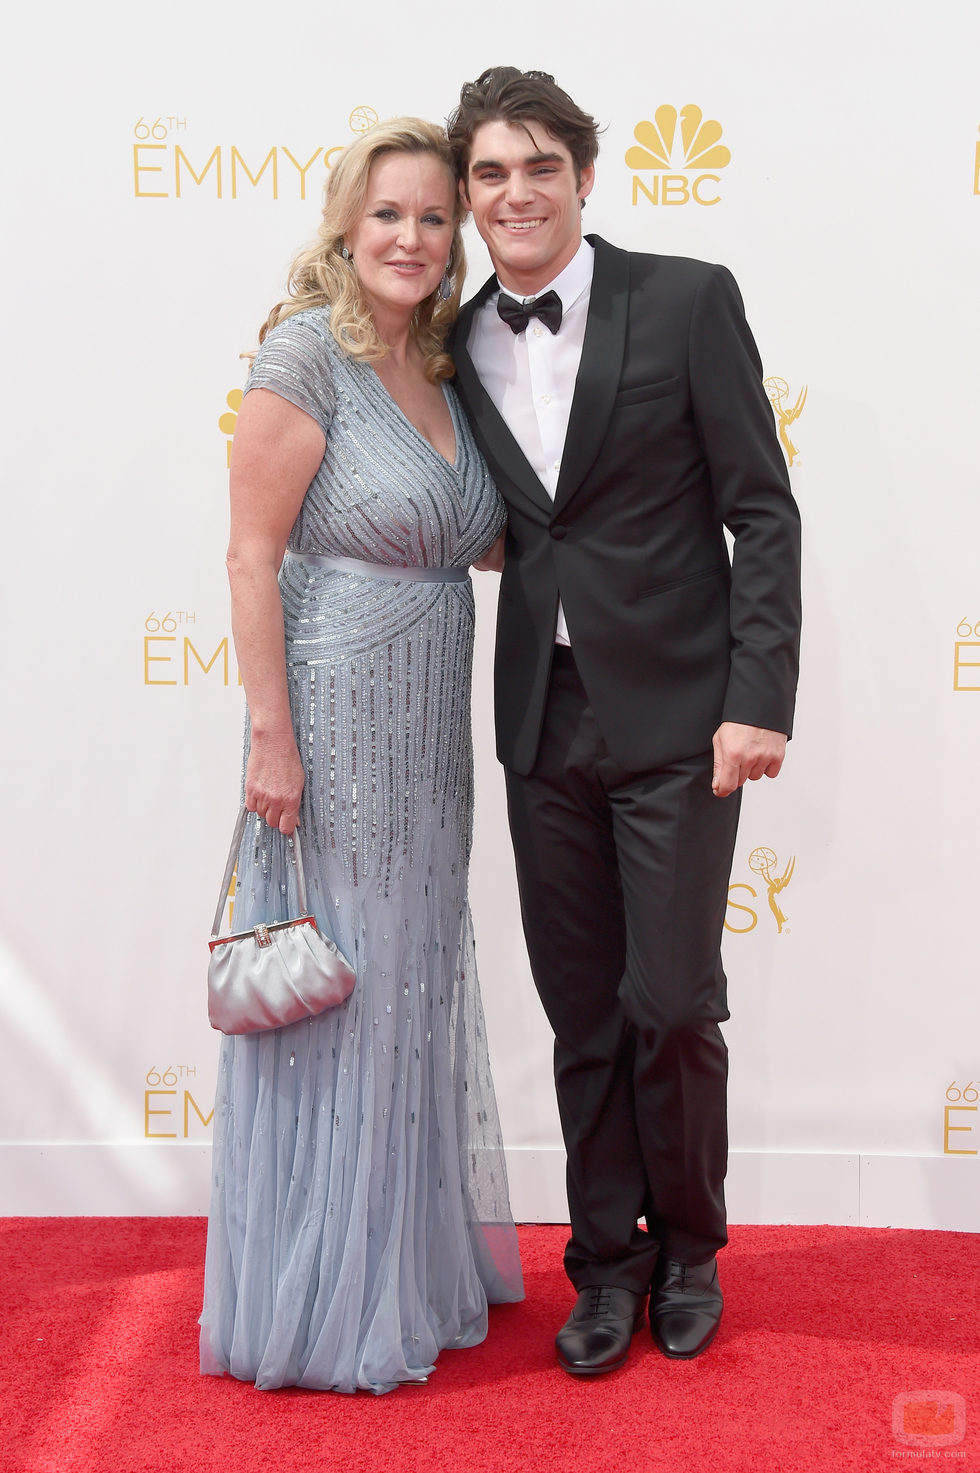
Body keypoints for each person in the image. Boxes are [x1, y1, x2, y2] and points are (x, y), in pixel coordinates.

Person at [446, 69, 801, 1375]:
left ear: (585, 176)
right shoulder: (459, 334)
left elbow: (760, 509)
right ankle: (606, 1262)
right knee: (582, 1010)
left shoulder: (688, 298)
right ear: (470, 197)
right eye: (489, 174)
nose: (515, 192)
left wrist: (757, 697)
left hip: (680, 714)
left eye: (538, 165)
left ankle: (692, 1246)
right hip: (543, 718)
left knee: (670, 1000)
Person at [199, 116, 523, 1396]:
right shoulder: (305, 354)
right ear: (347, 222)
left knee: (408, 987)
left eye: (435, 218)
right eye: (389, 213)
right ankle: (326, 1296)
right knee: (343, 991)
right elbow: (248, 556)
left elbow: (486, 536)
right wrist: (270, 738)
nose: (412, 237)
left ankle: (402, 1264)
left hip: (429, 727)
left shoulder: (444, 367)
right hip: (328, 725)